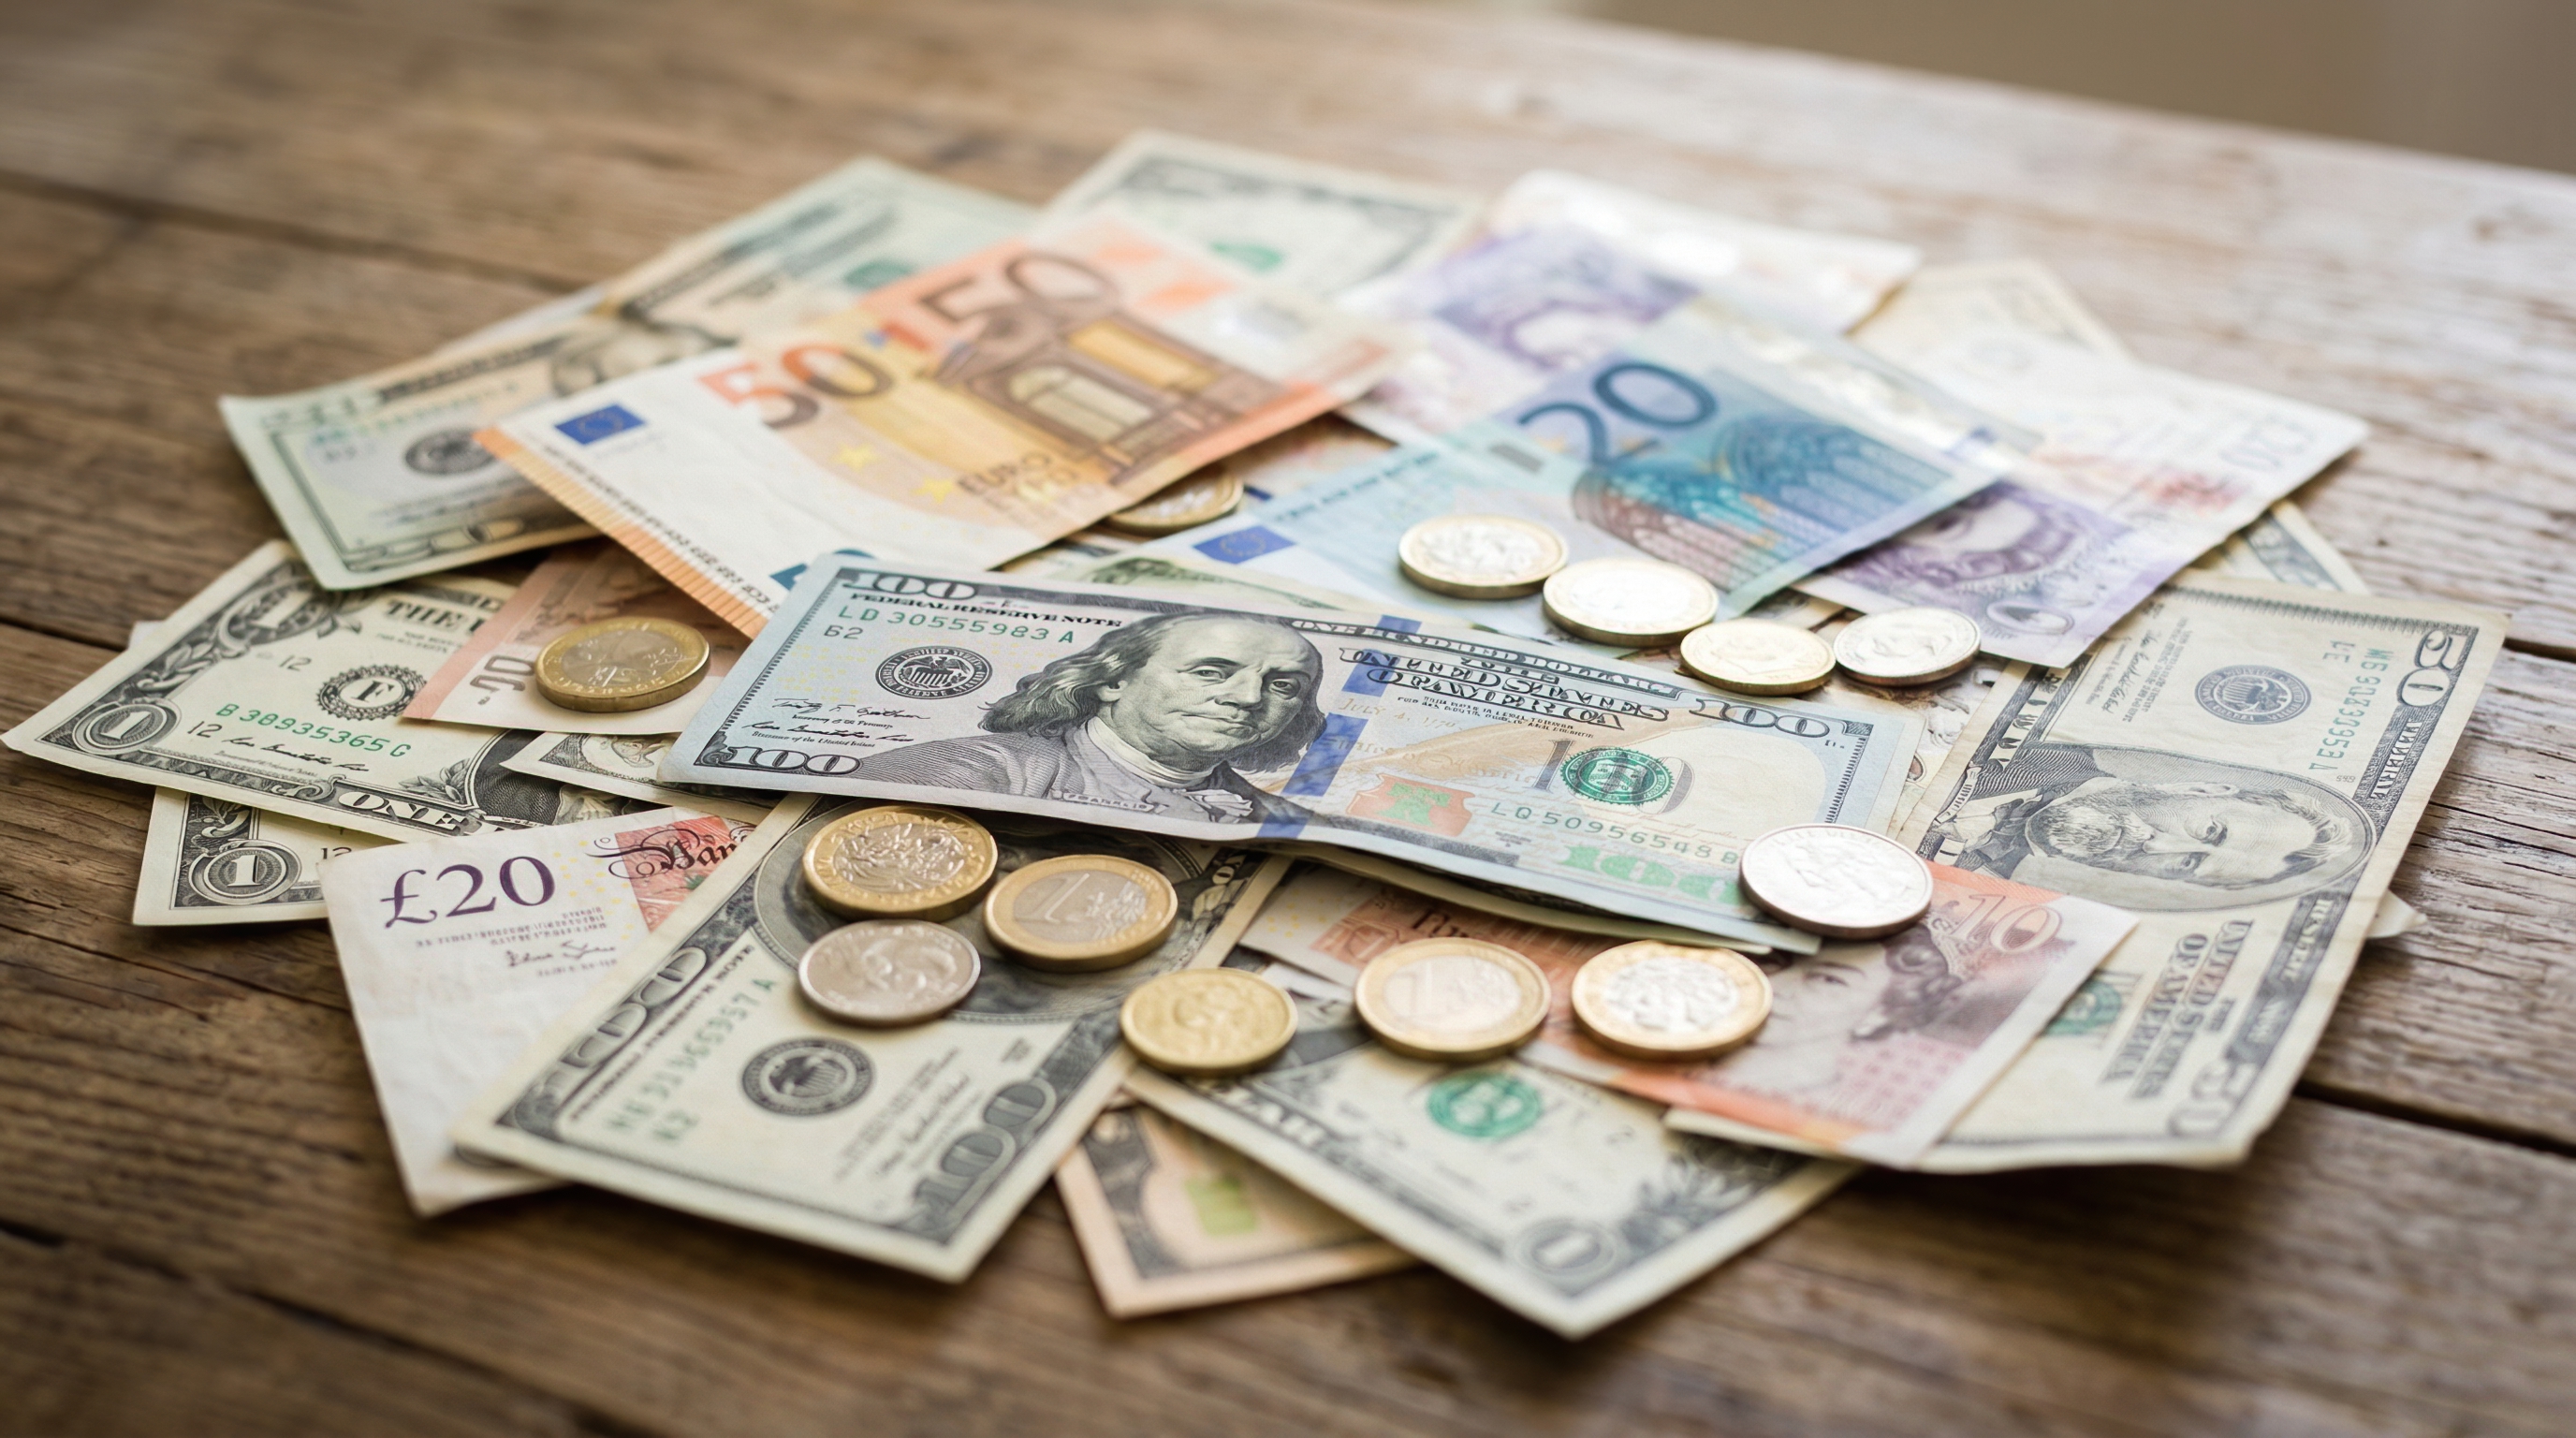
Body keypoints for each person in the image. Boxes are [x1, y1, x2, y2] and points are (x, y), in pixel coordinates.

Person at [852, 612, 1327, 824]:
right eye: (1210, 673)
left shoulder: (1287, 823)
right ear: (1113, 680)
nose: (1247, 698)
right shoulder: (969, 772)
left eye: (1283, 686)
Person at [1941, 742, 2368, 910]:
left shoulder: (1987, 896)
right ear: (2202, 789)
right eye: (2210, 832)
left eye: (2186, 863)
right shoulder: (2033, 753)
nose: (2157, 847)